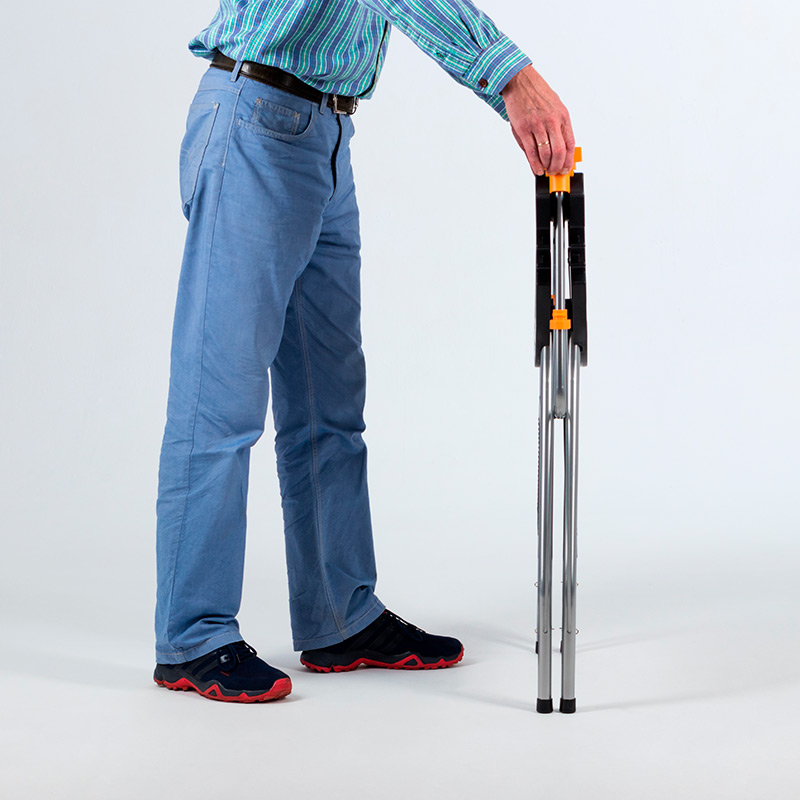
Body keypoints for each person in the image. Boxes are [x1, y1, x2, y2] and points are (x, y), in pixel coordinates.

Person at [153, 0, 575, 703]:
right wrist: (512, 77)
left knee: (330, 402)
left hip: (325, 132)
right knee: (219, 401)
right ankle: (192, 636)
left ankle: (339, 617)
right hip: (254, 119)